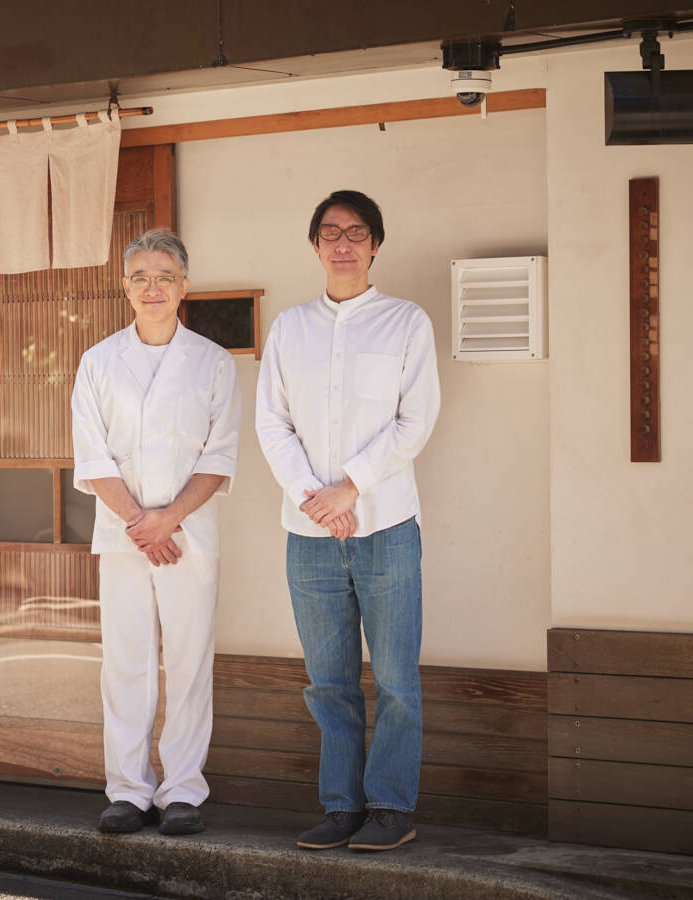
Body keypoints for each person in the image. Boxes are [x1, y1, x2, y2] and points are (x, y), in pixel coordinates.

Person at [255, 190, 440, 852]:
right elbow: (271, 421)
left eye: (355, 233)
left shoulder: (406, 323)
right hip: (308, 535)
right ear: (314, 245)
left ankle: (391, 806)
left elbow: (414, 421)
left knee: (394, 677)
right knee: (328, 682)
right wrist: (314, 493)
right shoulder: (290, 328)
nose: (342, 243)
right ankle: (340, 806)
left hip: (386, 525)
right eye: (329, 232)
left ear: (375, 245)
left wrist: (350, 487)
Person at [71, 228, 241, 836]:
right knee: (125, 662)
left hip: (189, 537)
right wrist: (141, 525)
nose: (152, 287)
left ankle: (183, 791)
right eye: (140, 277)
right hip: (122, 538)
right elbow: (93, 459)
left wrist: (166, 521)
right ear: (124, 286)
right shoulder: (97, 362)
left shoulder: (213, 362)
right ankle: (128, 790)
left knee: (191, 660)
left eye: (164, 277)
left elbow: (219, 458)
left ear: (184, 287)